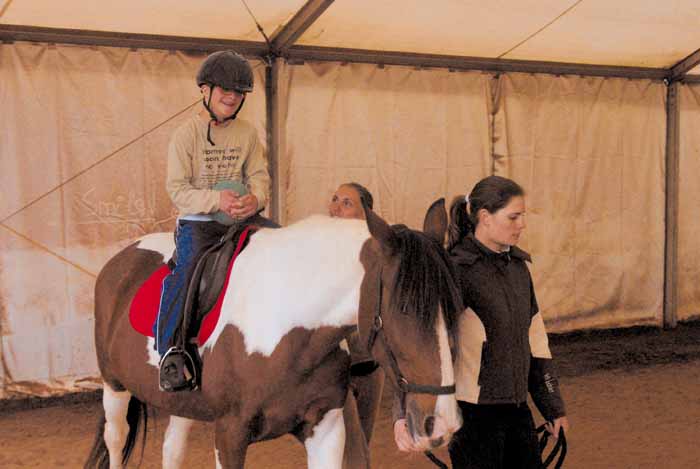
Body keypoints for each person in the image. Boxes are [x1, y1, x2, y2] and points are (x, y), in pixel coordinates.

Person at [393, 175, 569, 468]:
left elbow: (536, 344)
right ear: (485, 217)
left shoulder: (519, 271)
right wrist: (402, 413)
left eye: (522, 216)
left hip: (517, 412)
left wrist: (552, 407)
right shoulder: (455, 272)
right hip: (472, 419)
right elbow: (419, 344)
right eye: (513, 217)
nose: (522, 224)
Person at [155, 50, 271, 392]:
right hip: (199, 223)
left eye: (238, 92)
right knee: (187, 271)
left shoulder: (248, 134)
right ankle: (172, 352)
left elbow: (259, 175)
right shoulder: (185, 136)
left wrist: (256, 198)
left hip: (242, 219)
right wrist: (213, 200)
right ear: (205, 90)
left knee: (283, 249)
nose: (231, 96)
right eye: (223, 89)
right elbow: (177, 190)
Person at [328, 182, 386, 443]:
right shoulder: (319, 252)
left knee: (361, 444)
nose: (336, 208)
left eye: (347, 203)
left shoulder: (377, 254)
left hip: (368, 368)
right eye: (335, 199)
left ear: (367, 213)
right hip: (329, 372)